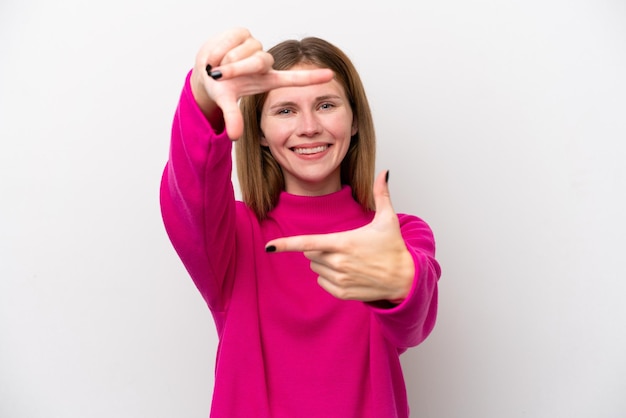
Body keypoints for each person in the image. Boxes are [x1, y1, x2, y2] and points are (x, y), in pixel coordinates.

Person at [160, 27, 441, 418]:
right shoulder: (233, 235)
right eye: (285, 110)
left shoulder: (398, 234)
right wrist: (203, 97)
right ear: (258, 131)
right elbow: (190, 189)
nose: (308, 126)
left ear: (355, 121)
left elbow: (415, 323)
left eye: (326, 105)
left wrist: (402, 283)